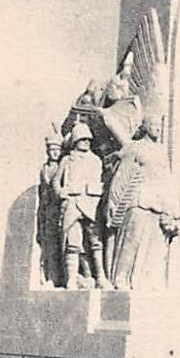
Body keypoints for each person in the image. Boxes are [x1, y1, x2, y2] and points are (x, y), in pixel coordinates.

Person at [108, 117, 179, 290]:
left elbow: (166, 180)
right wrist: (113, 203)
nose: (158, 129)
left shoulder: (161, 152)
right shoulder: (135, 147)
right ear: (146, 127)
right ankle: (121, 277)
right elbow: (121, 175)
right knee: (132, 240)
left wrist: (170, 208)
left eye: (160, 126)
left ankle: (144, 280)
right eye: (154, 125)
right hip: (138, 198)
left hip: (157, 202)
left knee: (153, 244)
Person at [52, 123, 109, 290]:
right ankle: (71, 279)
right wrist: (60, 191)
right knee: (73, 242)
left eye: (88, 139)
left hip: (92, 203)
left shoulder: (96, 160)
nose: (86, 142)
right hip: (73, 202)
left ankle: (101, 277)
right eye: (82, 139)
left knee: (96, 242)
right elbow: (56, 180)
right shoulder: (67, 160)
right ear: (75, 140)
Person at [36, 127, 64, 287]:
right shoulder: (44, 168)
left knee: (63, 246)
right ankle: (50, 277)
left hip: (60, 209)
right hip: (47, 212)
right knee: (50, 247)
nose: (54, 152)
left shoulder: (64, 165)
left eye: (57, 149)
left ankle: (59, 278)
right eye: (51, 149)